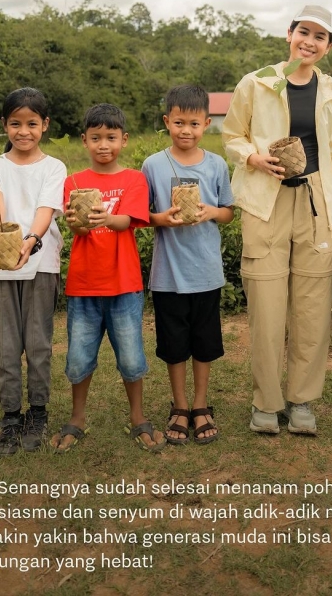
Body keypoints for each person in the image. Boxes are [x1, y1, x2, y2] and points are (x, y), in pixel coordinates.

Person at [223, 4, 332, 435]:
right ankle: (265, 402)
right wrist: (253, 157)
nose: (309, 41)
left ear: (328, 47)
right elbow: (231, 135)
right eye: (303, 32)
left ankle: (301, 402)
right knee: (266, 305)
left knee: (313, 307)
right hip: (265, 202)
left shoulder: (331, 91)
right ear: (289, 34)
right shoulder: (256, 83)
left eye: (319, 36)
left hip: (315, 203)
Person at [50, 103, 165, 453]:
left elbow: (127, 221)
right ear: (84, 141)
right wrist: (76, 223)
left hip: (124, 285)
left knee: (131, 358)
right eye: (96, 137)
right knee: (78, 358)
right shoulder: (73, 181)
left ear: (124, 140)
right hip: (83, 286)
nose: (103, 144)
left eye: (111, 137)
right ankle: (77, 418)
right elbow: (73, 225)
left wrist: (104, 217)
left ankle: (138, 417)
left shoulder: (133, 179)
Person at [142, 86, 234, 445]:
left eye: (194, 123)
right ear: (167, 122)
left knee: (204, 342)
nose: (185, 130)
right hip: (168, 276)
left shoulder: (216, 165)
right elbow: (144, 216)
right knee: (174, 343)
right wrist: (162, 219)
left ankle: (200, 404)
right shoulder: (153, 164)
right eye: (178, 122)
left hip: (206, 273)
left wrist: (210, 212)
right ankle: (179, 405)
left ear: (207, 124)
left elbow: (227, 212)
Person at [0, 87, 66, 456]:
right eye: (15, 123)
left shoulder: (54, 167)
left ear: (44, 125)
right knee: (7, 347)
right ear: (4, 125)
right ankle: (11, 416)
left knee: (39, 344)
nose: (23, 131)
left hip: (40, 264)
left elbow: (45, 211)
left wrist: (28, 242)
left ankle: (39, 413)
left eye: (31, 123)